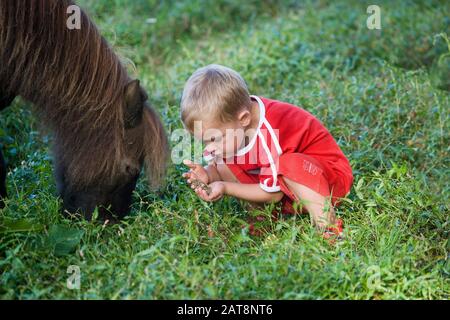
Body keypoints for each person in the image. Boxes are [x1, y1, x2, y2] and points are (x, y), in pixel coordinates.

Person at [181, 64, 353, 238]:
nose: (209, 148)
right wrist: (208, 175)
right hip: (290, 189)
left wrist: (225, 187)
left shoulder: (269, 131)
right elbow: (222, 167)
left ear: (244, 119)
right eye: (205, 141)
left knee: (288, 164)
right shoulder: (233, 124)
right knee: (227, 159)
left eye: (214, 139)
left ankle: (328, 228)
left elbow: (273, 195)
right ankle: (262, 221)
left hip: (329, 182)